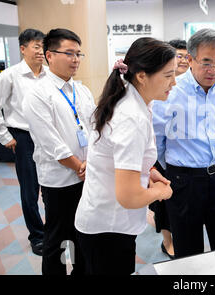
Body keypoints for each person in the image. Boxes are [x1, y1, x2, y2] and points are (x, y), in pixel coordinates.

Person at [75, 37, 174, 275]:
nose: (174, 82)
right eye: (168, 75)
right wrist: (161, 192)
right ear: (141, 75)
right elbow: (128, 197)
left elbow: (117, 156)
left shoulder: (131, 100)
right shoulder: (131, 117)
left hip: (103, 220)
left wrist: (148, 171)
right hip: (108, 227)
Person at [152, 28, 215, 259]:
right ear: (190, 59)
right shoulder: (170, 91)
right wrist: (177, 171)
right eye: (206, 62)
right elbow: (157, 141)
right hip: (184, 180)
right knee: (189, 248)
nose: (213, 70)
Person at [23, 28, 96, 275]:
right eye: (69, 53)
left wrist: (91, 165)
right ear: (49, 55)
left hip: (87, 176)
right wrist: (79, 166)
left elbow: (95, 127)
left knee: (83, 235)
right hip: (60, 181)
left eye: (78, 54)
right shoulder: (37, 94)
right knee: (56, 239)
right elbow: (51, 142)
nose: (75, 59)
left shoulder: (82, 90)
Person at [0, 29, 46, 256]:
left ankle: (54, 230)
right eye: (36, 46)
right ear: (22, 49)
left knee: (54, 186)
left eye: (43, 47)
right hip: (23, 137)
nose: (40, 51)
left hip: (47, 136)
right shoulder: (10, 75)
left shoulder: (49, 74)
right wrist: (5, 137)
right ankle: (37, 236)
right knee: (30, 190)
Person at [148, 39, 188, 260]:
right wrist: (162, 161)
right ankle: (167, 240)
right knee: (163, 204)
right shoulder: (161, 87)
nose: (182, 60)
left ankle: (179, 238)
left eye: (185, 56)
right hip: (160, 158)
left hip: (182, 159)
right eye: (177, 56)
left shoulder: (192, 87)